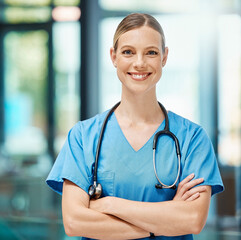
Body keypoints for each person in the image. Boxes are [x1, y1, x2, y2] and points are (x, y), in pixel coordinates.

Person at [46, 13, 224, 240]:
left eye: (151, 52)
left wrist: (109, 204)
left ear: (164, 57)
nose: (139, 63)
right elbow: (74, 222)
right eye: (128, 52)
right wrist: (164, 222)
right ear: (113, 56)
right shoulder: (83, 137)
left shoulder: (193, 138)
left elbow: (192, 220)